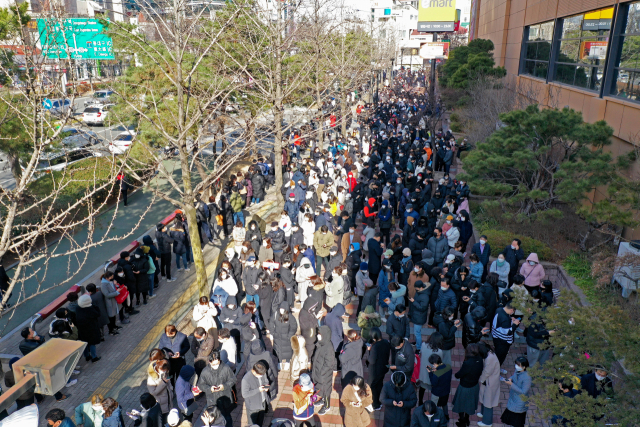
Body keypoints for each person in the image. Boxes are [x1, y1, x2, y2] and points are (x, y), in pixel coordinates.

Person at [198, 351, 236, 427]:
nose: (216, 366)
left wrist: (224, 386)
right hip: (213, 401)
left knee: (227, 418)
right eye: (213, 364)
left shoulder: (226, 368)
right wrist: (209, 389)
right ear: (209, 362)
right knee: (215, 420)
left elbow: (233, 379)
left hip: (225, 398)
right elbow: (200, 385)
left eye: (217, 364)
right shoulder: (205, 372)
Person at [452, 344, 484, 427]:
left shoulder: (468, 363)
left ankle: (462, 421)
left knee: (461, 405)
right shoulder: (480, 359)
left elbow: (460, 374)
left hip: (465, 386)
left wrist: (456, 375)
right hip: (474, 385)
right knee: (470, 405)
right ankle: (467, 419)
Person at [500, 356, 532, 427]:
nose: (516, 366)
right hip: (513, 399)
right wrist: (510, 379)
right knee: (512, 420)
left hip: (520, 402)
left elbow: (524, 392)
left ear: (524, 367)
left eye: (518, 365)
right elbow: (514, 376)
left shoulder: (527, 377)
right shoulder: (518, 370)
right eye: (516, 364)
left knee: (517, 422)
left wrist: (511, 384)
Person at [312, 325, 336, 415]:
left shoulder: (328, 348)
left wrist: (321, 373)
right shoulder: (321, 343)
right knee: (320, 388)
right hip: (318, 371)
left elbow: (329, 363)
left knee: (326, 390)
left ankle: (327, 405)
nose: (318, 336)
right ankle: (322, 400)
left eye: (319, 334)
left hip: (324, 374)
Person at [477, 342, 501, 427]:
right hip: (488, 381)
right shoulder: (489, 353)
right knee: (485, 398)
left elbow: (487, 372)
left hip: (490, 382)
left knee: (488, 403)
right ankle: (483, 413)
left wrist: (480, 379)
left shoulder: (490, 358)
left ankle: (487, 422)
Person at [367, 327, 391, 411]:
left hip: (375, 371)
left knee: (372, 386)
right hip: (383, 368)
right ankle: (380, 400)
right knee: (380, 384)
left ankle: (376, 404)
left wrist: (369, 350)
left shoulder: (375, 347)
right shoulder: (386, 342)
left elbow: (371, 361)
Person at [241, 361, 271, 427]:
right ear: (254, 371)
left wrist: (266, 386)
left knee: (260, 423)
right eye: (260, 375)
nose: (262, 376)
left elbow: (266, 380)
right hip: (252, 407)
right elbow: (244, 394)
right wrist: (258, 390)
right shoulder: (246, 379)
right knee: (253, 425)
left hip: (262, 403)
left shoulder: (262, 371)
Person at [417, 332, 444, 404]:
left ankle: (420, 401)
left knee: (422, 388)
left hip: (423, 372)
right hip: (432, 374)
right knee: (434, 389)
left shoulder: (423, 345)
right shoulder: (439, 351)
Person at [271, 301, 298, 370]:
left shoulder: (290, 317)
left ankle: (287, 362)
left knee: (288, 351)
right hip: (277, 337)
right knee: (278, 350)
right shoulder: (276, 314)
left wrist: (289, 335)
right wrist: (273, 333)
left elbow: (294, 327)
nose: (281, 310)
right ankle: (279, 362)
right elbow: (271, 323)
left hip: (286, 338)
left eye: (283, 309)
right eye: (280, 309)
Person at [76, 294, 101, 362]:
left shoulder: (78, 308)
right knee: (92, 343)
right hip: (91, 328)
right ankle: (94, 357)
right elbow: (98, 313)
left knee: (84, 343)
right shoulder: (90, 309)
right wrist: (93, 305)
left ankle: (86, 356)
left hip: (81, 329)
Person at [426, 354, 452, 420]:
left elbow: (433, 383)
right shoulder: (448, 367)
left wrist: (430, 373)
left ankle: (434, 419)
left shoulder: (436, 374)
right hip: (446, 391)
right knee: (444, 404)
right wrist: (436, 369)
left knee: (434, 406)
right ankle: (446, 416)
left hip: (437, 393)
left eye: (433, 364)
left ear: (435, 363)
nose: (433, 365)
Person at [408, 280, 430, 345]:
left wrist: (413, 301)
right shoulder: (420, 292)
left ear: (421, 287)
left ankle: (419, 348)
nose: (415, 289)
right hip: (417, 315)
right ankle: (417, 342)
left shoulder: (425, 297)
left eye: (416, 288)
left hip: (419, 317)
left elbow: (422, 308)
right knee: (417, 332)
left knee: (417, 333)